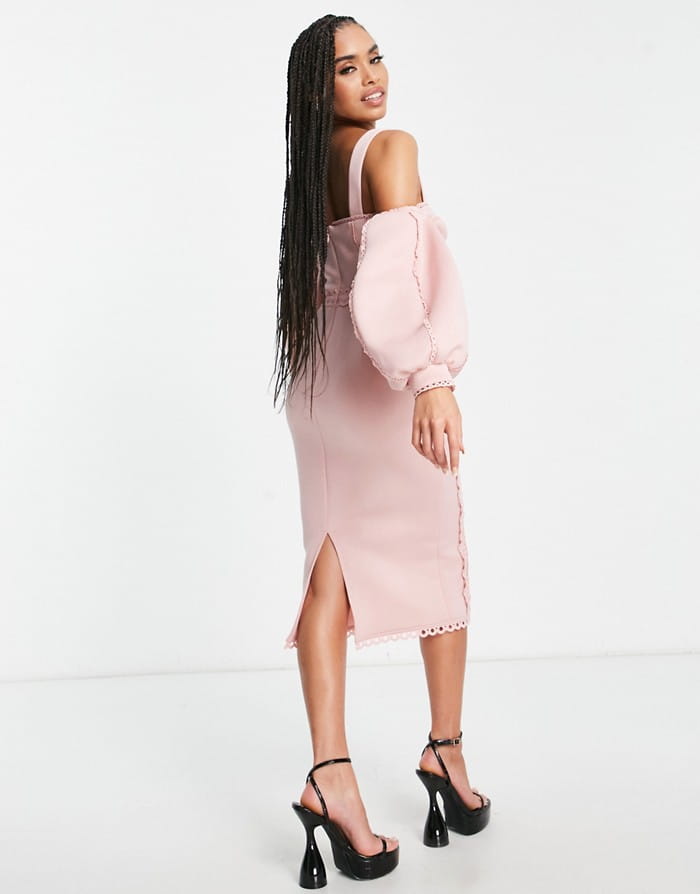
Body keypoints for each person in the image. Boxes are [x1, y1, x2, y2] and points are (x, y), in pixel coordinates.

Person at [271, 15, 491, 888]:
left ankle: (330, 779)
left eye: (376, 57)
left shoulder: (310, 171)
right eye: (347, 67)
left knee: (329, 569)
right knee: (438, 550)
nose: (372, 76)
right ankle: (446, 754)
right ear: (317, 87)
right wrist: (430, 377)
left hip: (318, 387)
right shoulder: (389, 150)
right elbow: (393, 285)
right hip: (380, 386)